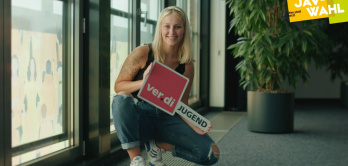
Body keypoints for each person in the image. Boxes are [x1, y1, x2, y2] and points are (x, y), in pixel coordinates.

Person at [112, 6, 220, 166]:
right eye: (167, 26)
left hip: (167, 119)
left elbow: (181, 103)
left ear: (184, 30)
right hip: (142, 117)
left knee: (212, 154)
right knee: (120, 100)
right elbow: (118, 86)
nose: (172, 32)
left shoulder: (187, 65)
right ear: (160, 29)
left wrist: (195, 123)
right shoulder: (143, 53)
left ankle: (157, 146)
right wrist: (145, 82)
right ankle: (136, 159)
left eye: (177, 27)